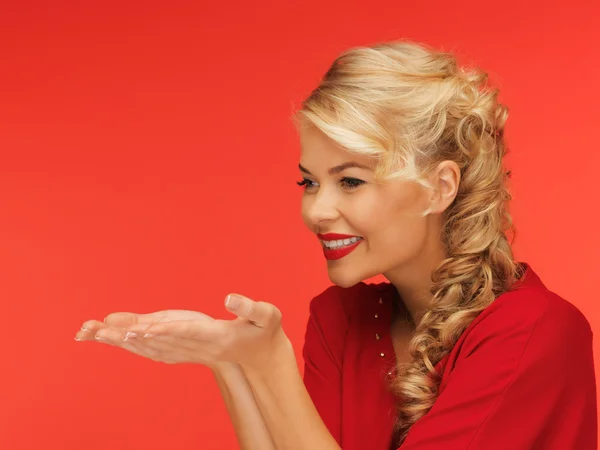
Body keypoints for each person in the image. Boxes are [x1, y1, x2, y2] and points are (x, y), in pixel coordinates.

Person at [75, 40, 597, 449]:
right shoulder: (341, 321)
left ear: (440, 187)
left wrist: (270, 364)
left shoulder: (535, 333)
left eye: (350, 181)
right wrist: (233, 364)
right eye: (308, 182)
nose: (316, 211)